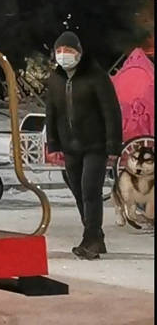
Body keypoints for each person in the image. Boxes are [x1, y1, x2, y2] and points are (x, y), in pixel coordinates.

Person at [43, 30, 123, 259]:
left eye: (68, 51)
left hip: (95, 145)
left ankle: (91, 239)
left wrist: (113, 146)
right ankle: (94, 237)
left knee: (90, 190)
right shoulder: (56, 79)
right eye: (59, 51)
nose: (63, 55)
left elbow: (111, 112)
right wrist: (53, 145)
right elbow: (51, 113)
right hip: (70, 147)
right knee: (78, 192)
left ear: (79, 53)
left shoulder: (96, 77)